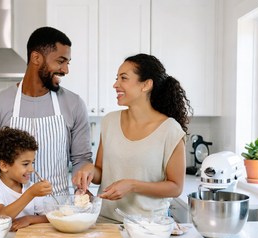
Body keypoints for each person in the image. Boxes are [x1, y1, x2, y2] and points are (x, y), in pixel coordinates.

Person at [0, 26, 93, 215]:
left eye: (68, 62)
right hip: (14, 212)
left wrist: (83, 184)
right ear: (36, 58)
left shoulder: (74, 104)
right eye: (61, 61)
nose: (66, 70)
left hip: (58, 212)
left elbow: (81, 159)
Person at [73, 53, 192, 223]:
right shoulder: (110, 122)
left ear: (146, 85)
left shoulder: (170, 130)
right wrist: (89, 170)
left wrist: (132, 185)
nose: (116, 84)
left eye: (124, 78)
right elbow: (100, 172)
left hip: (148, 227)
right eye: (117, 78)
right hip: (105, 222)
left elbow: (175, 187)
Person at [0, 127, 52, 231]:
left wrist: (29, 219)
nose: (31, 169)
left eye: (32, 163)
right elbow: (1, 217)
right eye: (25, 164)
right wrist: (30, 194)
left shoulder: (30, 187)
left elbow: (50, 217)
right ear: (4, 165)